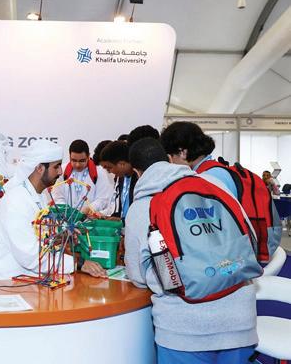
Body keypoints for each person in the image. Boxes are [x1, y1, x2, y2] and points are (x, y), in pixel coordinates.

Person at [125, 137, 257, 363]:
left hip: (183, 329)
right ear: (169, 159)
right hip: (240, 320)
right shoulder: (215, 185)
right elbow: (250, 238)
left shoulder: (141, 208)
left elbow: (137, 276)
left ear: (137, 172)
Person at [0, 140, 106, 279]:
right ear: (39, 168)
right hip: (6, 281)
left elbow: (39, 235)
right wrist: (78, 263)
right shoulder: (16, 201)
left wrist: (60, 237)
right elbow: (31, 257)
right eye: (56, 166)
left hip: (27, 278)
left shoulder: (40, 195)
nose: (61, 172)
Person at [160, 121, 238, 197]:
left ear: (183, 153)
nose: (170, 163)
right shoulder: (217, 171)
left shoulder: (205, 179)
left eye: (171, 157)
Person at [53, 139, 114, 216]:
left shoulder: (99, 171)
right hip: (66, 217)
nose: (77, 165)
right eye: (74, 160)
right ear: (69, 156)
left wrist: (89, 208)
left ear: (88, 156)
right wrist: (67, 211)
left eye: (82, 161)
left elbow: (103, 199)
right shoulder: (62, 170)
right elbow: (57, 197)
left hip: (90, 218)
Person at [100, 141, 137, 223]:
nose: (109, 172)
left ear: (122, 164)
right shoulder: (121, 178)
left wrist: (122, 220)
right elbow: (120, 208)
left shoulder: (139, 179)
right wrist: (111, 218)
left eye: (109, 168)